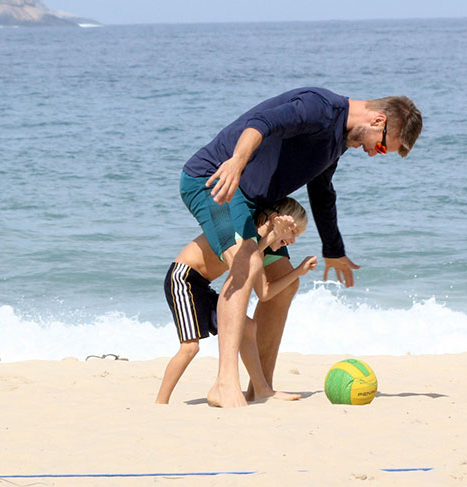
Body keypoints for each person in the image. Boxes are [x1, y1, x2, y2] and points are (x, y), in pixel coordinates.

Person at [180, 87, 422, 407]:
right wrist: (237, 162)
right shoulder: (318, 108)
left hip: (257, 202)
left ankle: (260, 387)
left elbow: (322, 191)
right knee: (247, 262)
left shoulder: (338, 141)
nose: (373, 153)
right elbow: (261, 122)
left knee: (284, 285)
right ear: (378, 120)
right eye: (380, 145)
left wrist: (333, 249)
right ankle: (224, 384)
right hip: (215, 179)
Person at [156, 197, 317, 405]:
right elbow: (243, 255)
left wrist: (298, 272)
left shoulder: (260, 248)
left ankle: (262, 389)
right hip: (183, 280)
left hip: (203, 286)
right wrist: (271, 237)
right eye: (293, 232)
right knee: (190, 348)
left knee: (248, 327)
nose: (294, 241)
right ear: (278, 220)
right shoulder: (243, 230)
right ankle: (160, 403)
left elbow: (265, 293)